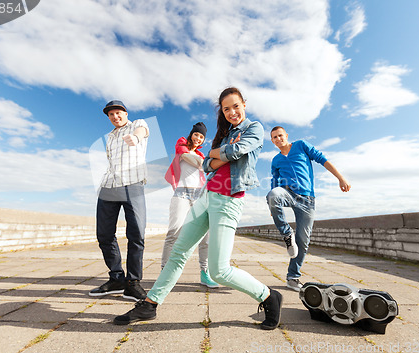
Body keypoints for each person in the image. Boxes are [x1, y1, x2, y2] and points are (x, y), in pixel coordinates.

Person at [113, 87, 283, 330]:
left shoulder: (254, 128)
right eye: (226, 109)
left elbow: (235, 152)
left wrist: (216, 154)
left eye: (236, 106)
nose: (232, 112)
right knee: (179, 251)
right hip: (206, 195)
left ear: (244, 104)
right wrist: (218, 155)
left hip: (228, 198)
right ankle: (150, 304)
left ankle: (268, 296)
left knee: (219, 270)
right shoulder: (225, 135)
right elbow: (207, 165)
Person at [267, 126, 351, 292]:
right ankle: (286, 234)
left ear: (286, 136)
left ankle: (292, 277)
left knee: (303, 241)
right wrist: (272, 204)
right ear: (272, 141)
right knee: (273, 194)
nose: (278, 139)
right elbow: (274, 183)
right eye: (274, 137)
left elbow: (322, 159)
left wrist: (341, 178)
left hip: (307, 200)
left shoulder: (301, 145)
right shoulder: (276, 160)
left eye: (280, 136)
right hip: (287, 193)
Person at [89, 100, 150, 302]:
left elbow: (142, 131)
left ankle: (133, 283)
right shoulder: (109, 137)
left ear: (125, 113)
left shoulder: (137, 125)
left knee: (136, 234)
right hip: (109, 185)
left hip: (132, 184)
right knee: (104, 234)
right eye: (111, 115)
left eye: (118, 113)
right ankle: (116, 278)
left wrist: (135, 137)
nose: (115, 117)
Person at [163, 122, 219, 288]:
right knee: (174, 233)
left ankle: (205, 273)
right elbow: (200, 163)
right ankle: (165, 273)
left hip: (199, 196)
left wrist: (207, 162)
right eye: (196, 135)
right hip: (181, 194)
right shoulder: (181, 145)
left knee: (206, 237)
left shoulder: (201, 155)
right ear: (191, 134)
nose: (198, 139)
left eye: (201, 137)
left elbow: (208, 169)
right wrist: (207, 162)